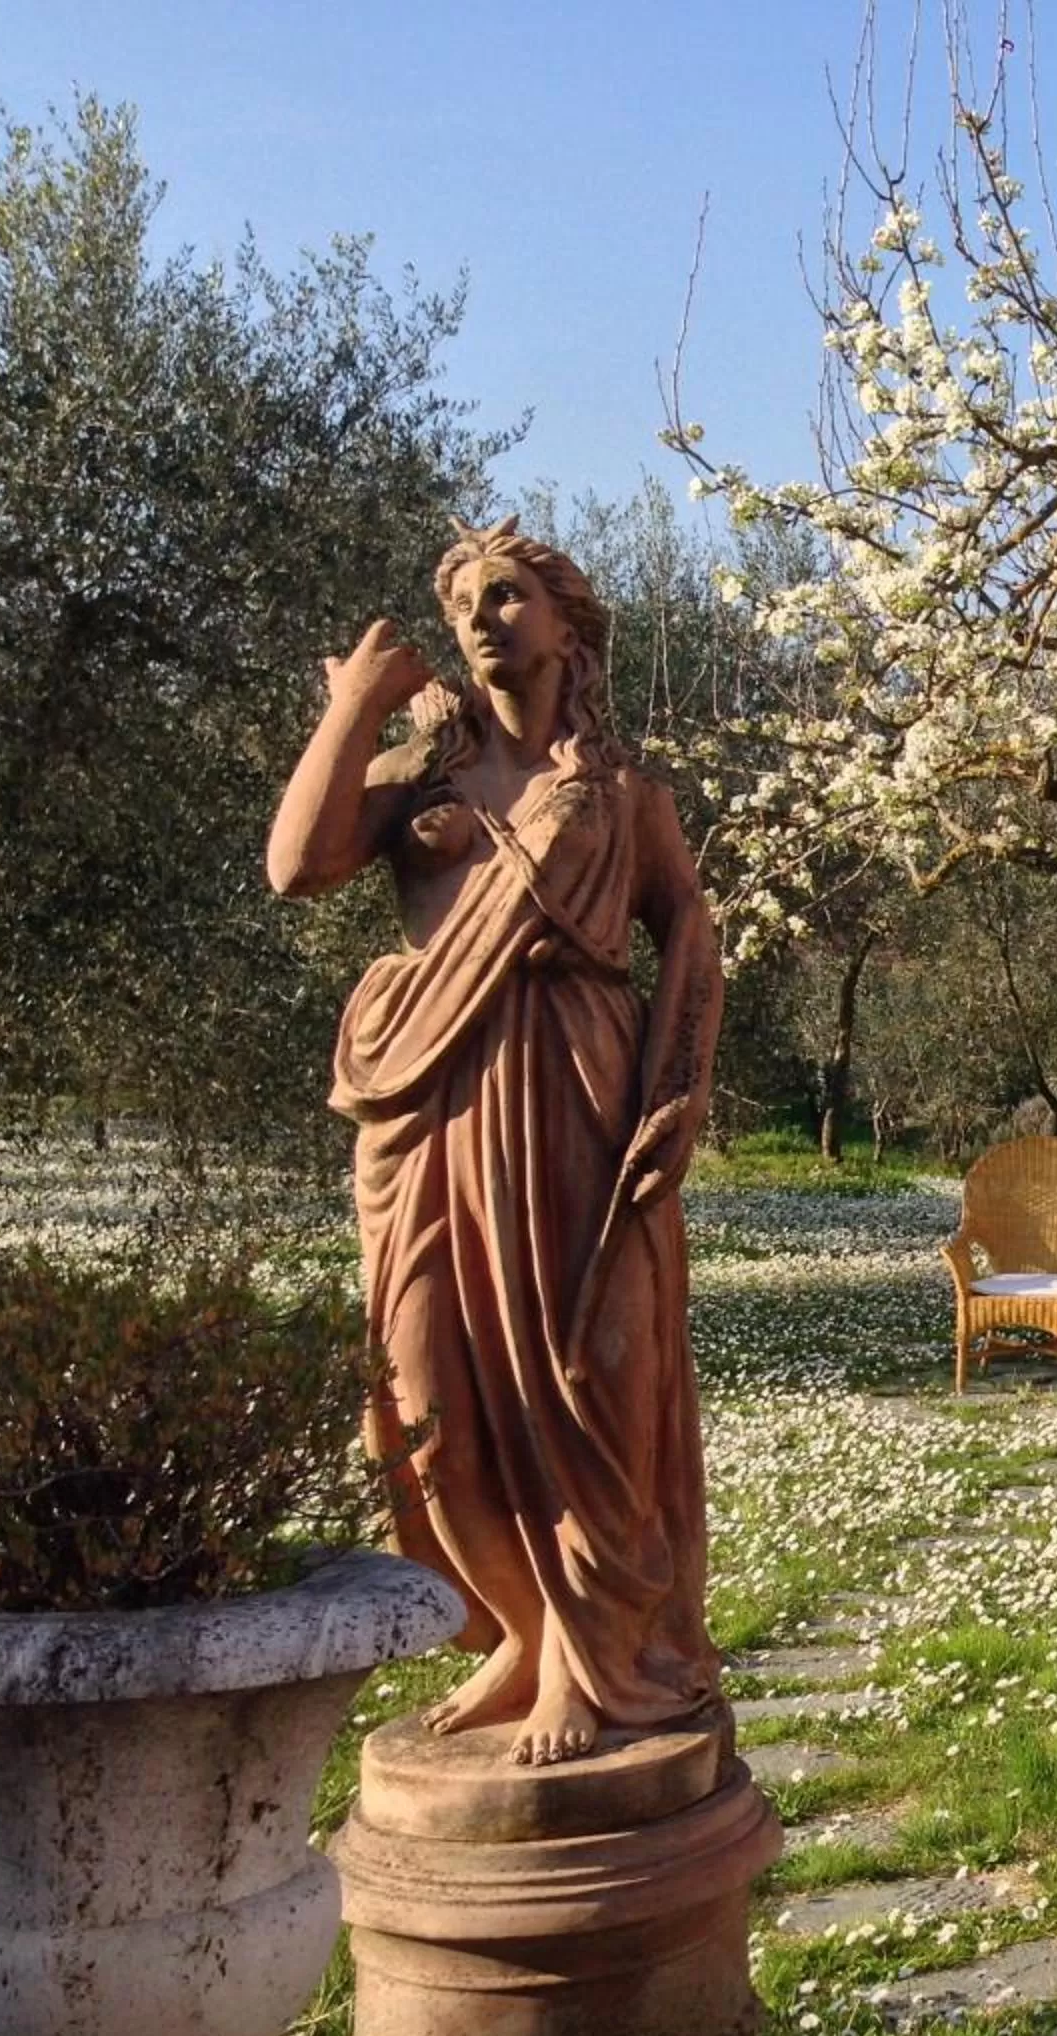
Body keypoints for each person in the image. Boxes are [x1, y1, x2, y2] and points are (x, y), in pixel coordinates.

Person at [268, 518, 723, 1766]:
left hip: (576, 1090)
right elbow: (296, 863)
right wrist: (357, 707)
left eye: (510, 595)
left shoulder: (623, 792)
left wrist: (677, 1084)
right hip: (429, 1107)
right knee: (428, 1402)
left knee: (588, 1383)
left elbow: (689, 918)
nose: (484, 617)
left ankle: (595, 1660)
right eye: (469, 599)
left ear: (569, 627)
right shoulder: (422, 773)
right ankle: (521, 1633)